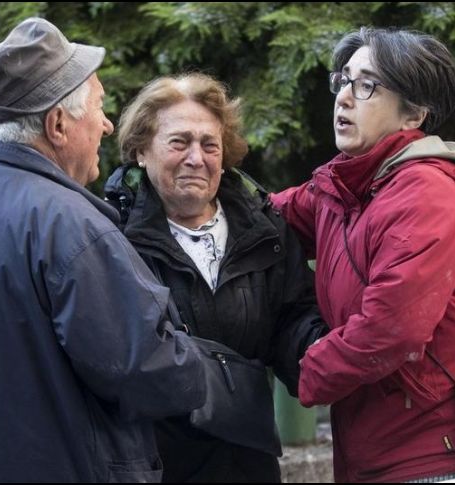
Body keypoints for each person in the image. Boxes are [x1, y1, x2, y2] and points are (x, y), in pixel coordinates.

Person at [0, 18, 208, 483]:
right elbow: (149, 372)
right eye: (98, 107)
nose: (106, 123)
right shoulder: (74, 227)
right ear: (58, 124)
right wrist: (201, 364)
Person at [271, 27, 455, 482]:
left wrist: (304, 364)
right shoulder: (345, 188)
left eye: (367, 85)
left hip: (431, 454)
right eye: (343, 80)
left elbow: (390, 330)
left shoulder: (426, 196)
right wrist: (200, 195)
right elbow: (270, 218)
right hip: (370, 450)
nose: (344, 98)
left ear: (413, 112)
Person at [104, 73, 327, 483]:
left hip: (246, 462)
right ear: (140, 151)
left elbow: (292, 318)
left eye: (210, 144)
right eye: (179, 142)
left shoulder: (264, 231)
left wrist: (326, 354)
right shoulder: (112, 237)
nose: (196, 157)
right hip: (154, 465)